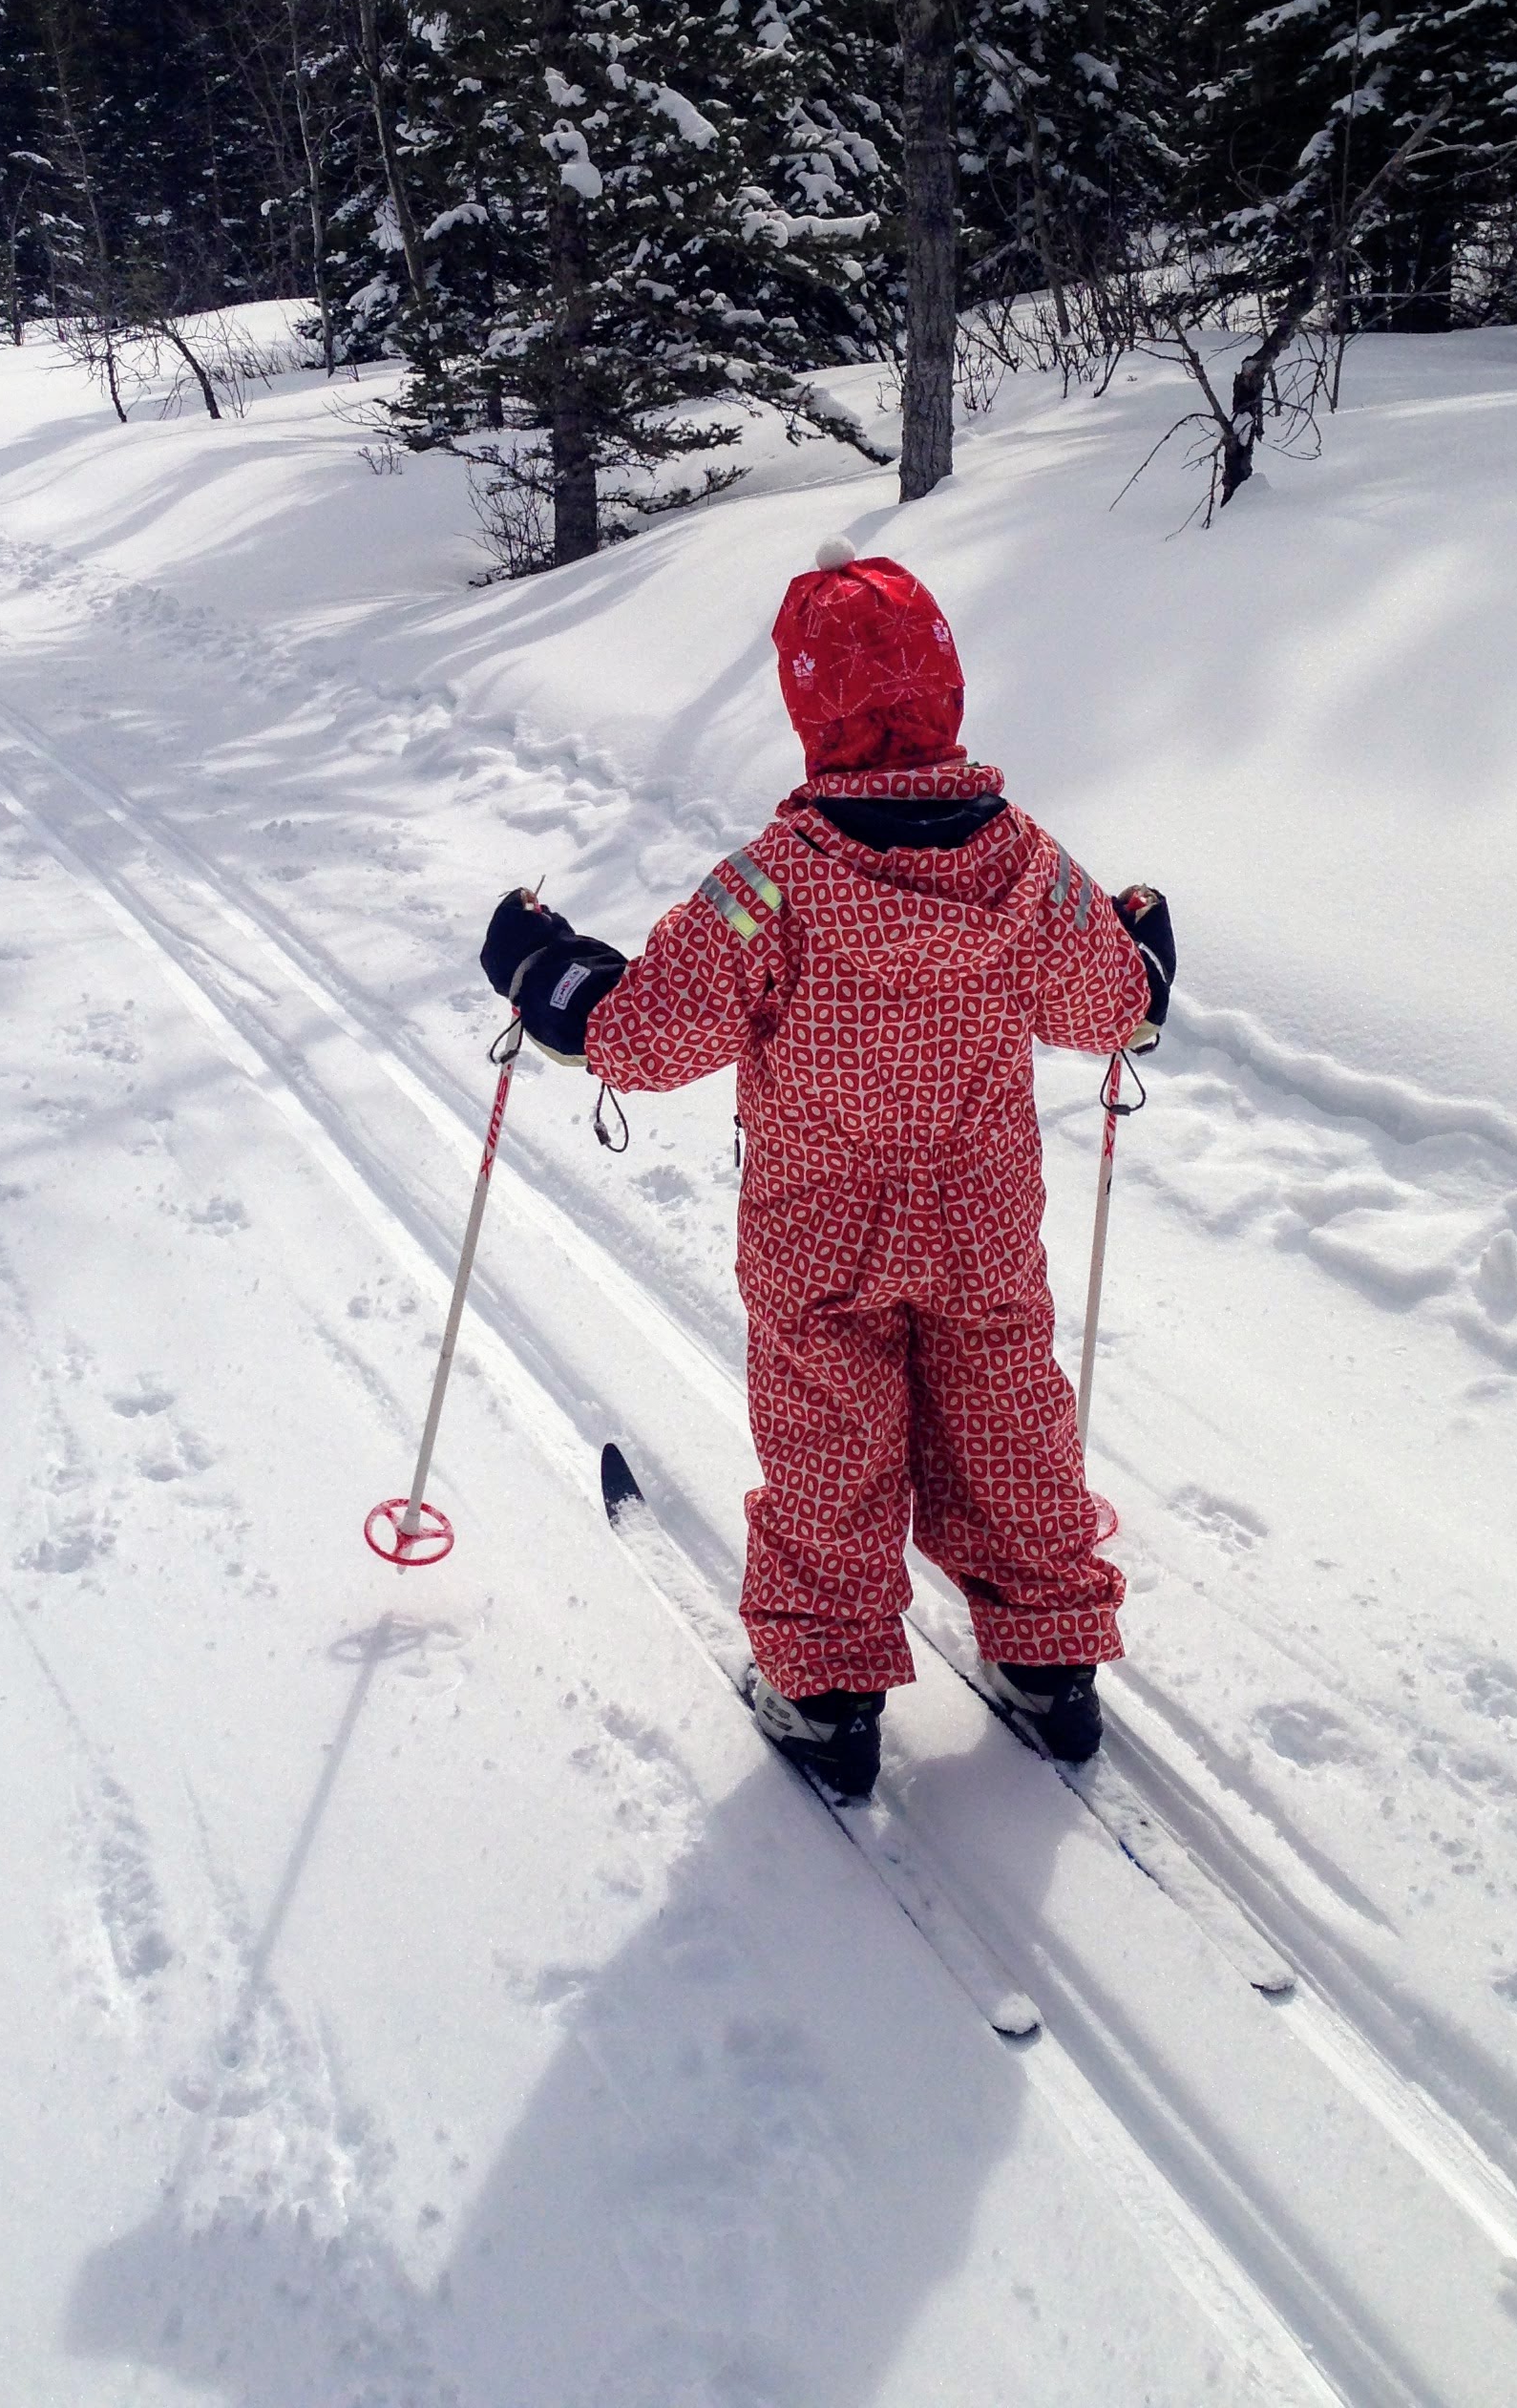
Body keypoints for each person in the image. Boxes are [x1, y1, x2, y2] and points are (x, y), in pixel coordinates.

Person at [479, 539, 1173, 1803]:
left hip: (824, 1238)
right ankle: (1050, 1661)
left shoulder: (774, 888)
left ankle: (824, 1693)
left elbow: (639, 1034)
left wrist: (547, 972)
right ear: (945, 693)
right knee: (1006, 1421)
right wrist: (1142, 949)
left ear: (809, 709)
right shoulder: (1019, 865)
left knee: (832, 1448)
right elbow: (1112, 1005)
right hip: (978, 1226)